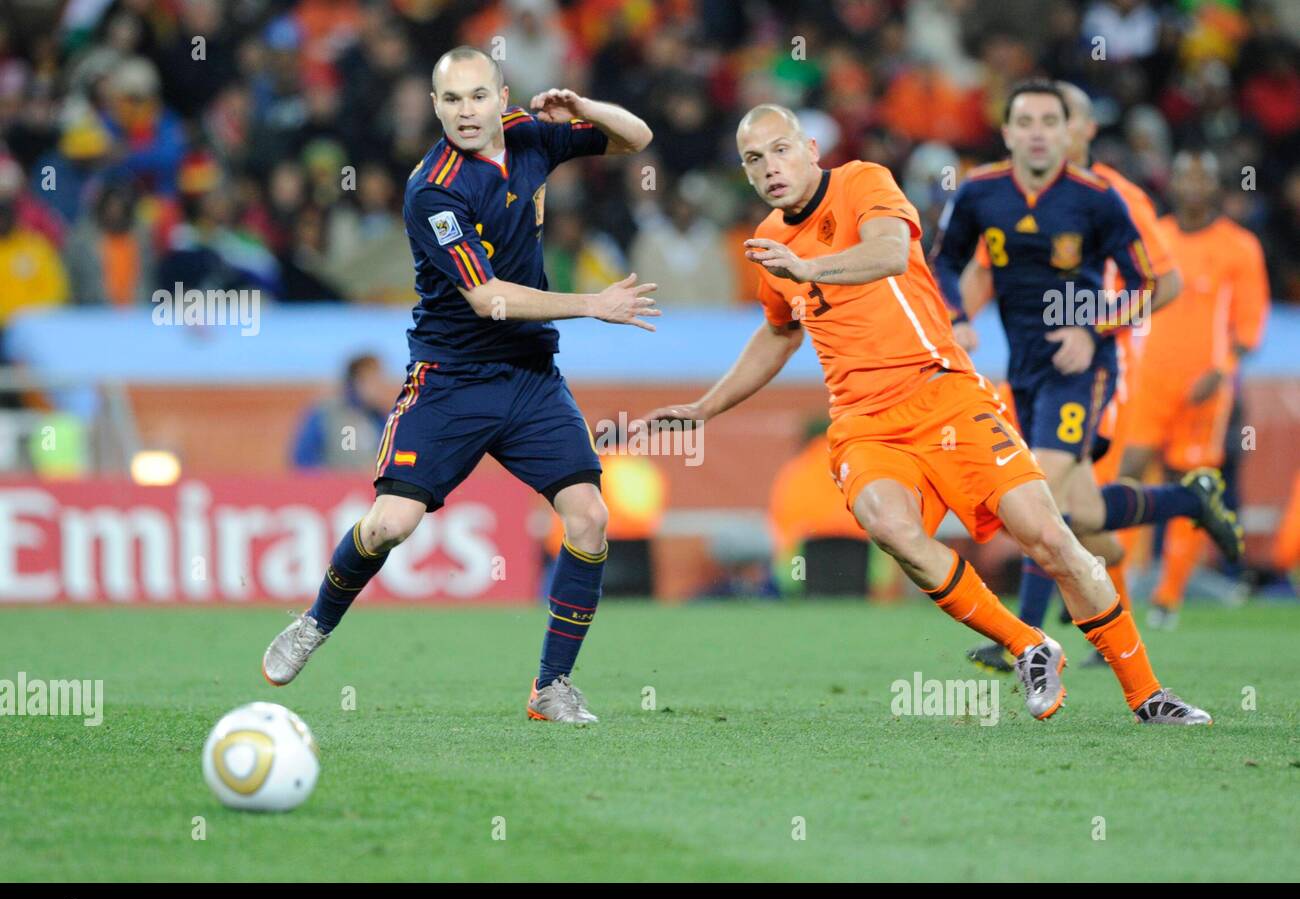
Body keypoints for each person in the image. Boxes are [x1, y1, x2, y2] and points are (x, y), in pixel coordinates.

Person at [639, 102, 1210, 724]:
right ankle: (1028, 643)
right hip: (863, 421)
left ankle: (1148, 696)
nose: (770, 168)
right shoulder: (770, 246)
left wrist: (810, 268)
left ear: (808, 147)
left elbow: (886, 253)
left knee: (1050, 538)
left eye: (780, 150)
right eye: (754, 159)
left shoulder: (863, 181)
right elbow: (778, 334)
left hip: (943, 394)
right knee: (892, 528)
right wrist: (703, 408)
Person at [261, 47, 656, 724]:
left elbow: (638, 137)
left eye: (477, 97)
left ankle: (550, 687)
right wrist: (593, 304)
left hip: (530, 377)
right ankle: (316, 621)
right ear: (436, 107)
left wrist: (585, 109)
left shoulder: (530, 135)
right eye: (450, 101)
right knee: (391, 524)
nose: (466, 112)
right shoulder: (433, 188)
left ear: (500, 93)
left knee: (589, 514)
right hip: (450, 379)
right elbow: (486, 298)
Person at [931, 79, 1240, 673]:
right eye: (1027, 121)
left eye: (1053, 120)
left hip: (1087, 369)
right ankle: (1189, 498)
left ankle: (1021, 638)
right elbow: (943, 262)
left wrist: (1092, 328)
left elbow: (1159, 284)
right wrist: (958, 318)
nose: (1041, 132)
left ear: (1075, 128)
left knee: (1033, 495)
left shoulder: (1100, 198)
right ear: (1008, 132)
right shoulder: (979, 194)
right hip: (1025, 371)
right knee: (1084, 513)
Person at [1120, 150, 1269, 629]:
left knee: (1192, 485)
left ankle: (1167, 599)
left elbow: (1249, 327)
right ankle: (1115, 594)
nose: (1193, 183)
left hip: (1203, 388)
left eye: (1203, 175)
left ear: (1217, 184)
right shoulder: (1153, 236)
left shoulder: (1239, 247)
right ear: (1174, 182)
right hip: (1148, 382)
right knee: (1126, 476)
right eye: (1185, 174)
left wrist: (1221, 369)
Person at [291, 353, 392, 471]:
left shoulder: (380, 419)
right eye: (372, 380)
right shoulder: (324, 414)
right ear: (355, 382)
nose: (379, 387)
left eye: (380, 380)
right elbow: (302, 462)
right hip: (333, 487)